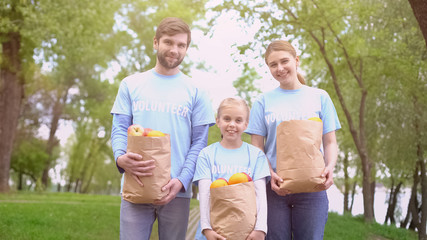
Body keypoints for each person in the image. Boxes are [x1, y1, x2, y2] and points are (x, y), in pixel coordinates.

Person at [110, 17, 215, 240]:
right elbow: (119, 128)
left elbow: (199, 142)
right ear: (156, 42)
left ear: (187, 48)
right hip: (135, 184)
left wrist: (182, 181)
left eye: (181, 45)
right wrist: (120, 158)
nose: (174, 50)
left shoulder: (197, 91)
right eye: (168, 42)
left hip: (176, 191)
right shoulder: (130, 84)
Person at [245, 40, 341, 240]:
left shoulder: (320, 97)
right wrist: (270, 175)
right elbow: (257, 147)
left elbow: (330, 141)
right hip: (275, 189)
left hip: (313, 188)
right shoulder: (262, 102)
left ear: (296, 61)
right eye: (273, 64)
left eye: (284, 61)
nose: (279, 68)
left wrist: (330, 166)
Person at [193, 97, 270, 240]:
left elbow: (260, 195)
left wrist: (260, 229)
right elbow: (204, 195)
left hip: (247, 230)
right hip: (215, 228)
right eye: (227, 119)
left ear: (246, 124)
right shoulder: (206, 154)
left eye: (238, 120)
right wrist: (206, 229)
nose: (232, 124)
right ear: (218, 121)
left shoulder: (256, 155)